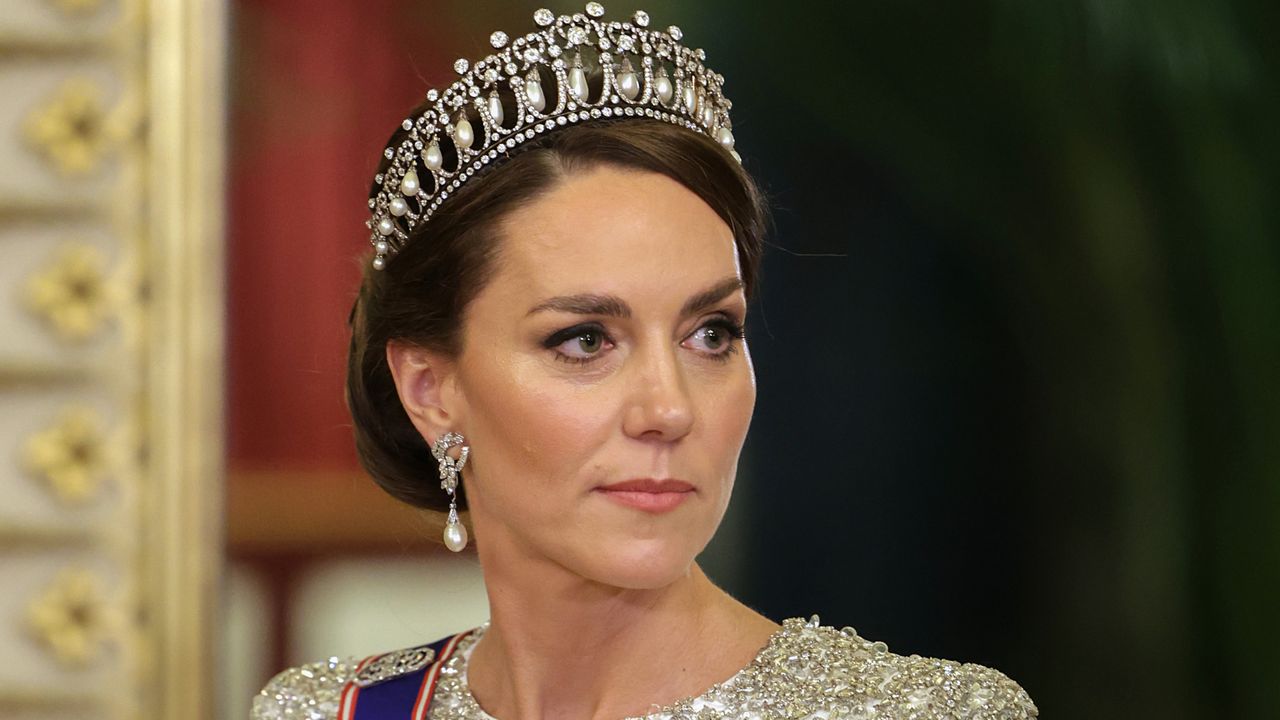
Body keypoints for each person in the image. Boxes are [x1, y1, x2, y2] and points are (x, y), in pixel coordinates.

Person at [252, 5, 1038, 719]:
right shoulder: (331, 712)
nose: (670, 409)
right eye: (586, 340)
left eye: (711, 334)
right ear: (430, 389)